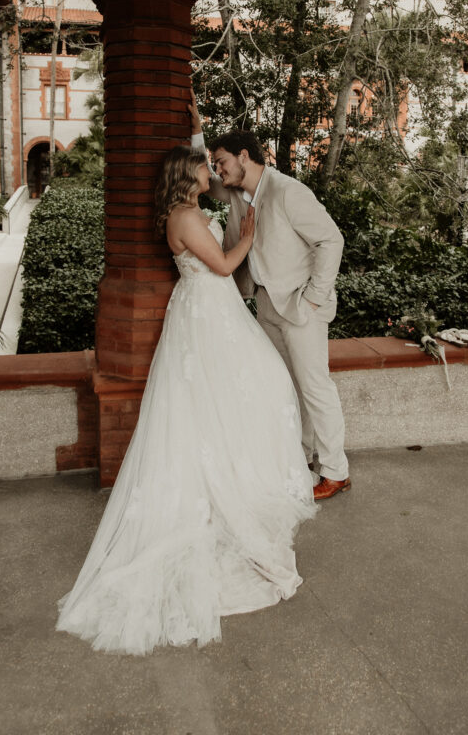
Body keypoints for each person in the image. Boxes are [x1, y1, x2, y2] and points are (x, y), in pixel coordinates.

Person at [56, 146, 316, 655]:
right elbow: (220, 266)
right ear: (186, 174)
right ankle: (228, 482)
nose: (210, 172)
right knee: (244, 389)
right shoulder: (184, 215)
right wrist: (248, 239)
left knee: (241, 393)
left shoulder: (190, 210)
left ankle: (239, 469)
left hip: (211, 313)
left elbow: (219, 208)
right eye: (203, 166)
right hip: (207, 313)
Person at [188, 92, 350, 501]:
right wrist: (196, 132)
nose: (218, 171)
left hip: (300, 306)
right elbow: (203, 183)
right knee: (287, 386)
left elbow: (331, 240)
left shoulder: (287, 191)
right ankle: (302, 460)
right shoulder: (236, 192)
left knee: (315, 387)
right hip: (264, 304)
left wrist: (313, 299)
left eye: (222, 162)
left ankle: (335, 471)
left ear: (245, 156)